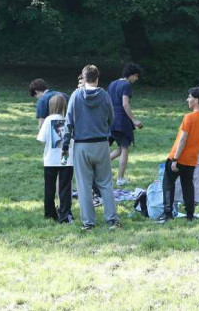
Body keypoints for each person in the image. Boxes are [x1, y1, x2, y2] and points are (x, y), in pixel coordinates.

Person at [62, 65, 120, 231]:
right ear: (97, 79)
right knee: (106, 184)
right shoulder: (105, 95)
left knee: (84, 185)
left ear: (83, 77)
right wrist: (106, 133)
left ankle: (88, 223)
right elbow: (111, 118)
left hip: (81, 145)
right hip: (101, 144)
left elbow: (69, 122)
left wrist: (65, 145)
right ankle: (112, 220)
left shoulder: (75, 95)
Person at [159, 87, 199, 223]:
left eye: (189, 97)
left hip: (178, 157)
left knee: (168, 184)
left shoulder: (189, 117)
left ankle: (167, 213)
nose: (187, 100)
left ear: (196, 100)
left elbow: (183, 139)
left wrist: (175, 159)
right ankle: (190, 215)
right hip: (192, 159)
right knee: (188, 186)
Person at [37, 93, 73, 223]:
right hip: (66, 159)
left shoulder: (48, 120)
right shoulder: (68, 119)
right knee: (65, 188)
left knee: (49, 188)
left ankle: (49, 213)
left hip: (50, 160)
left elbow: (42, 140)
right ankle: (65, 214)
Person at [108, 64, 144, 186]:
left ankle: (102, 163)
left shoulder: (112, 84)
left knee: (120, 147)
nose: (137, 79)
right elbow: (125, 104)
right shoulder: (126, 85)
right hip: (121, 122)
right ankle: (120, 178)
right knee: (125, 149)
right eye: (136, 76)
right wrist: (134, 120)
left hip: (111, 121)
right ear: (131, 74)